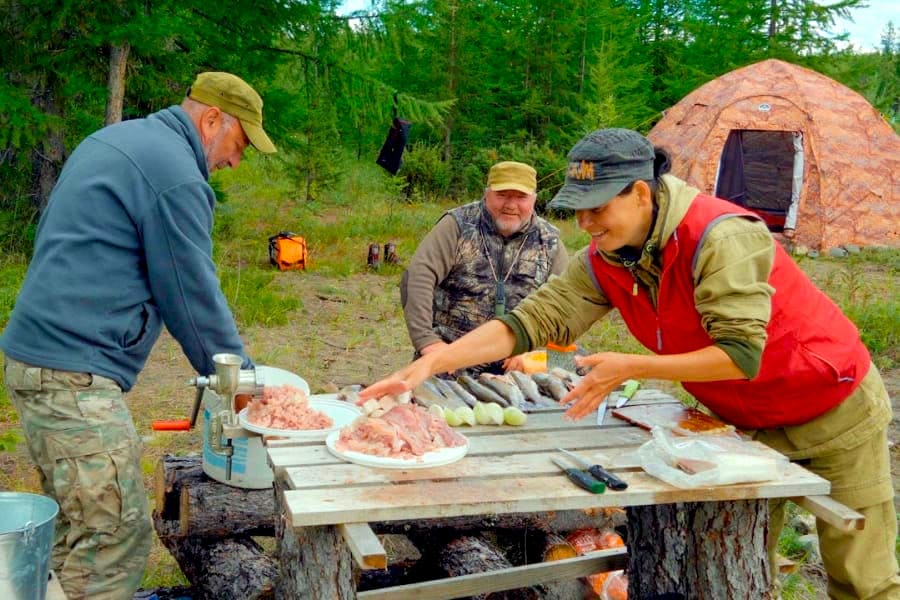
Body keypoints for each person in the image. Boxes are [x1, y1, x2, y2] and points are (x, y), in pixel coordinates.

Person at [362, 128, 899, 599]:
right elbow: (530, 322)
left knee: (861, 575)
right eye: (578, 209)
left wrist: (634, 366)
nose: (586, 223)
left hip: (831, 406)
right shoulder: (607, 258)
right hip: (744, 425)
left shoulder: (721, 236)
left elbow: (740, 353)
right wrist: (430, 365)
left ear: (641, 193)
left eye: (598, 208)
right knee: (742, 562)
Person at [1, 71, 276, 600]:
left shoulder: (116, 139)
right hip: (71, 377)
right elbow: (192, 295)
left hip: (37, 360)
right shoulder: (175, 175)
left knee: (79, 530)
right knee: (114, 538)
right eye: (238, 145)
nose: (234, 162)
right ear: (212, 119)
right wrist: (241, 382)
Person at [400, 160, 568, 375]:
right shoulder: (458, 225)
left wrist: (538, 355)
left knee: (575, 362)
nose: (510, 204)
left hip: (519, 366)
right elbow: (418, 277)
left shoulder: (549, 241)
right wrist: (428, 343)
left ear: (534, 199)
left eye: (520, 197)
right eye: (502, 195)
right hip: (452, 359)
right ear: (486, 193)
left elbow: (565, 308)